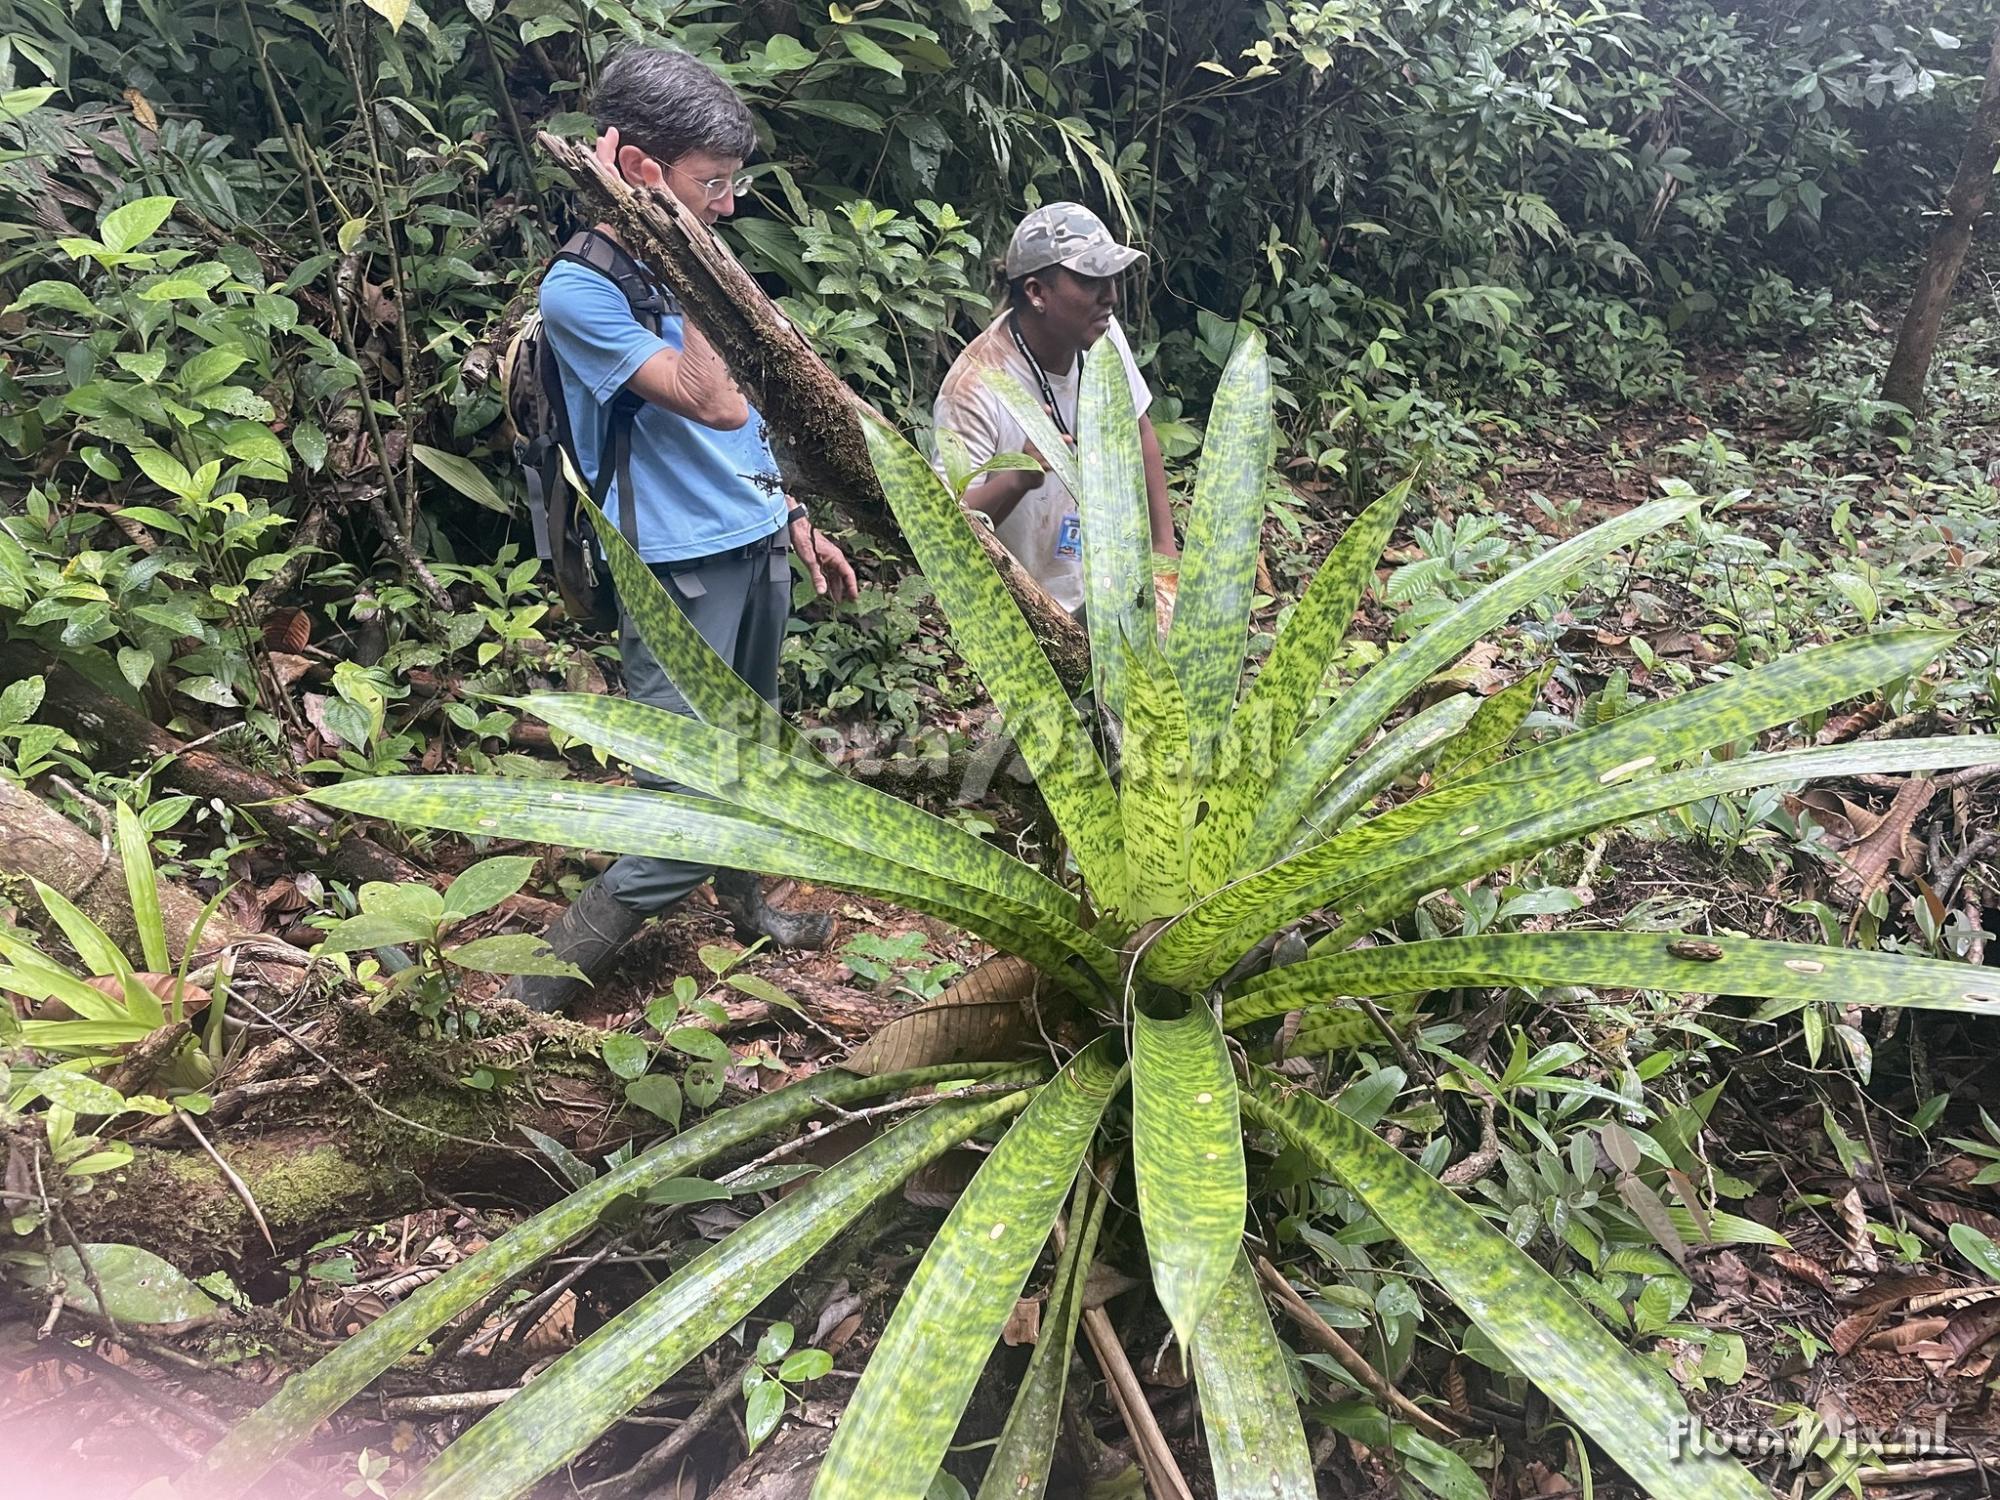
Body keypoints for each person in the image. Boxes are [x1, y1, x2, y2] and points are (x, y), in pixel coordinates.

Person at [509, 46, 857, 1013]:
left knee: (753, 745)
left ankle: (748, 909)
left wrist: (789, 511)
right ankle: (535, 986)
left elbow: (750, 414)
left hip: (749, 540)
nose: (731, 206)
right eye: (713, 184)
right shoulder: (581, 290)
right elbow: (705, 400)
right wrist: (677, 250)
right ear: (642, 171)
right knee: (691, 797)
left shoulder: (695, 259)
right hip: (675, 571)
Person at [931, 203, 1177, 618]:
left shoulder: (1103, 335)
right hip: (1018, 610)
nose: (1111, 296)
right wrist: (1016, 479)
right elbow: (943, 528)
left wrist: (1164, 553)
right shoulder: (973, 388)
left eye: (1111, 279)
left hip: (1102, 584)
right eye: (1089, 280)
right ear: (1036, 292)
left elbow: (1140, 429)